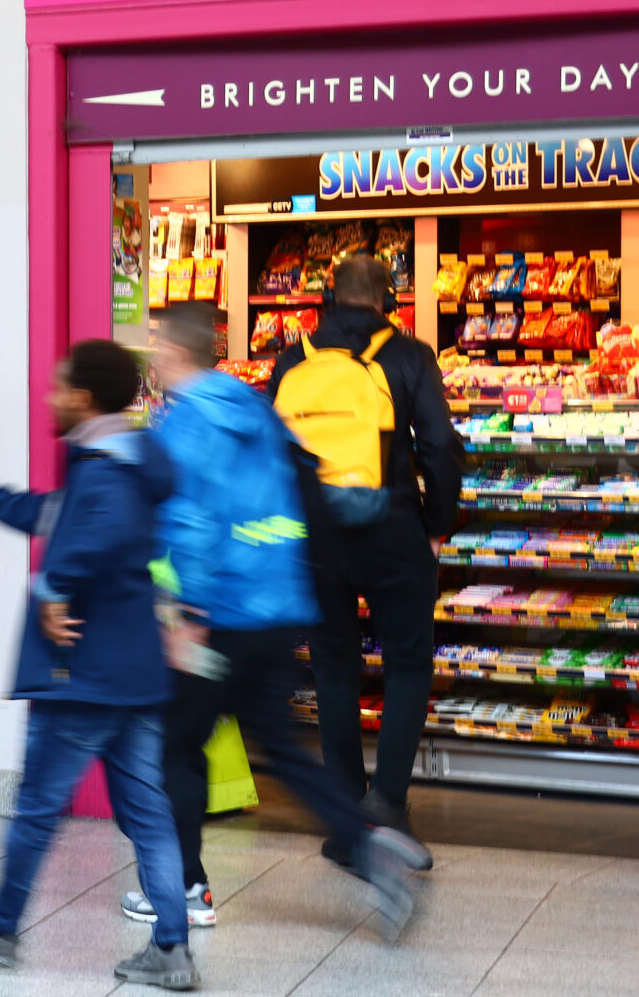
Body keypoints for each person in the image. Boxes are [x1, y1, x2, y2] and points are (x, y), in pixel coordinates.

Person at [118, 304, 430, 940]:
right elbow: (299, 487)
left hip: (220, 618)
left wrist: (189, 614)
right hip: (279, 604)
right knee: (284, 752)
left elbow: (189, 522)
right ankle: (371, 852)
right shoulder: (255, 407)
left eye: (158, 350)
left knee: (177, 745)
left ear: (174, 355)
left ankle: (183, 887)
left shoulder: (183, 426)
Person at [0, 340, 198, 992]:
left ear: (83, 398)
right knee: (149, 813)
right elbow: (53, 515)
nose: (49, 397)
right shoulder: (128, 460)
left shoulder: (102, 472)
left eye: (58, 387)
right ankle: (170, 947)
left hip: (83, 672)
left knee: (38, 804)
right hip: (132, 670)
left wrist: (53, 591)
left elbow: (89, 536)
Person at [271, 257, 463, 861]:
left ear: (329, 296)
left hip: (315, 536)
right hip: (392, 526)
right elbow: (439, 448)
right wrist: (436, 526)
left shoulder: (290, 358)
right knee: (407, 663)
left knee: (333, 669)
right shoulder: (410, 355)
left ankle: (348, 813)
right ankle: (387, 801)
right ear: (390, 300)